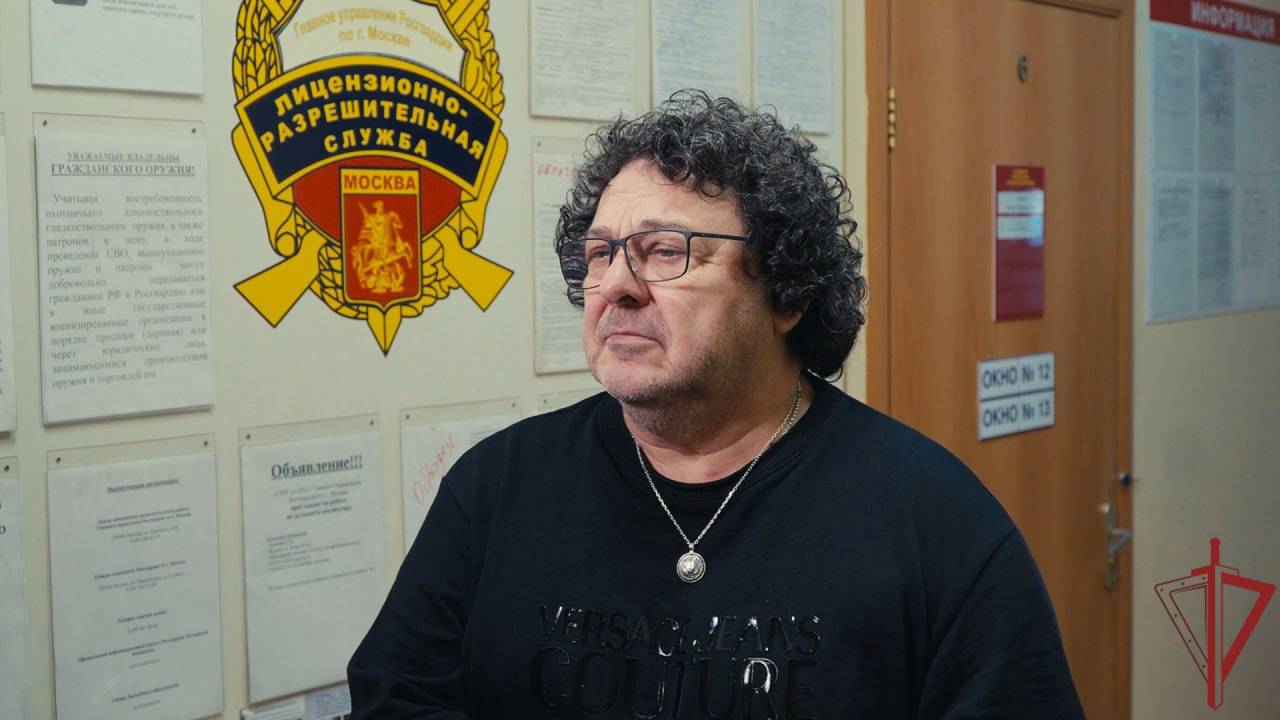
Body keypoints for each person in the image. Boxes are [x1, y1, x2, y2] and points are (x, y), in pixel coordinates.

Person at [348, 91, 1084, 719]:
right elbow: (396, 697)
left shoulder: (935, 522)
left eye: (665, 251)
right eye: (600, 254)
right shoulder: (496, 489)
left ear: (787, 293)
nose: (616, 286)